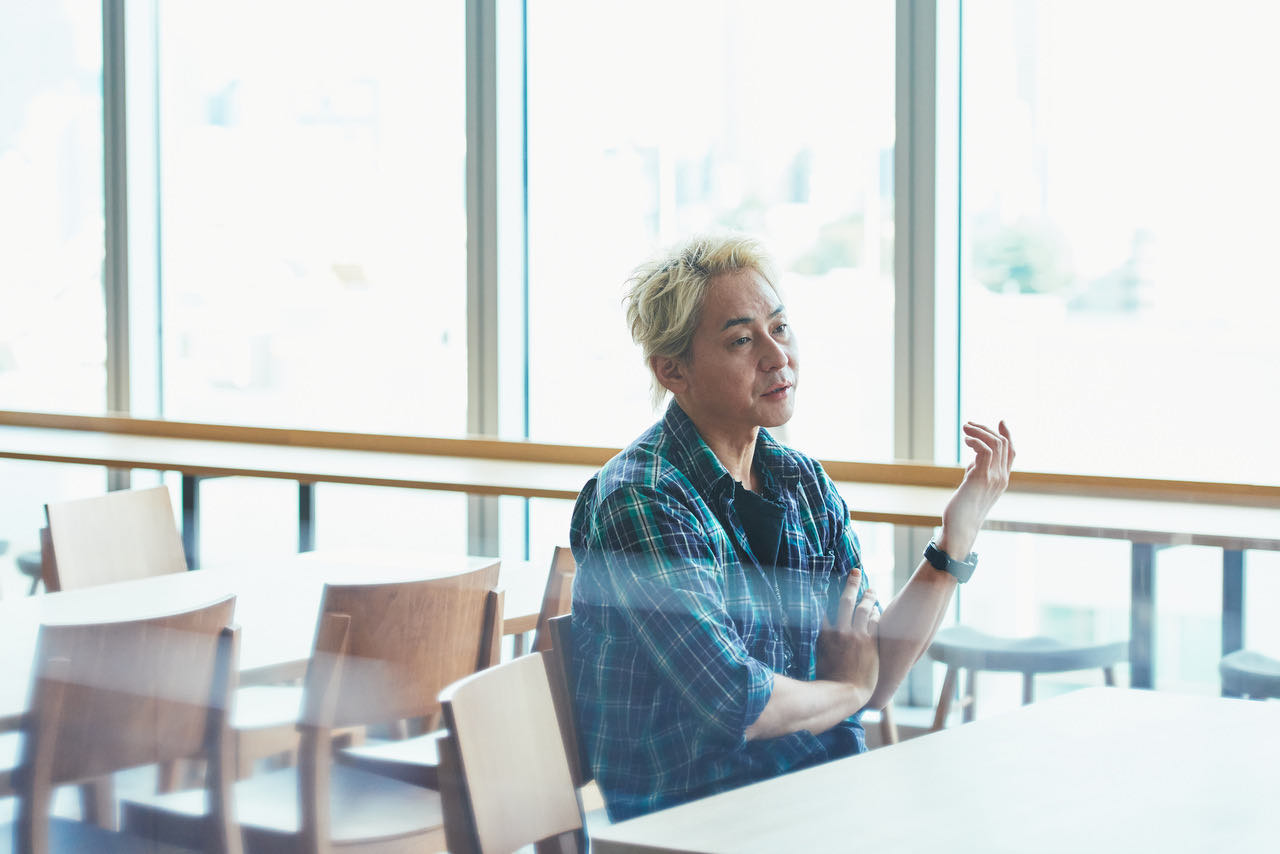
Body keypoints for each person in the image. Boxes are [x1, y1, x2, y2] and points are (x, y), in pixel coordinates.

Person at [569, 233, 1014, 821]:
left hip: (817, 802)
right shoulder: (643, 499)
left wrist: (954, 538)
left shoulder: (800, 481)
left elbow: (875, 675)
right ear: (674, 371)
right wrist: (848, 691)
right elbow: (738, 701)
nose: (776, 356)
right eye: (740, 340)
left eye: (779, 329)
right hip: (697, 822)